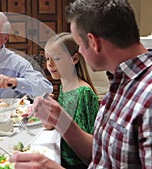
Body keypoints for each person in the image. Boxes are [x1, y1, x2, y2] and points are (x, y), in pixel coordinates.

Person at [10, 0, 152, 168]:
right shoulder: (120, 82)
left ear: (93, 42)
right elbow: (100, 156)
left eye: (78, 44)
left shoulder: (147, 97)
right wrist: (60, 118)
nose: (79, 52)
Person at [44, 32, 99, 169]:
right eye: (47, 59)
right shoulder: (64, 87)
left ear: (74, 59)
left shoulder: (83, 92)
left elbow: (91, 144)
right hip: (63, 157)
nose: (50, 64)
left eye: (56, 59)